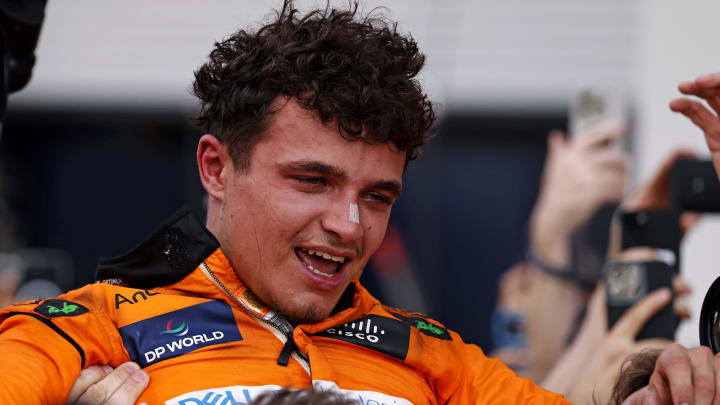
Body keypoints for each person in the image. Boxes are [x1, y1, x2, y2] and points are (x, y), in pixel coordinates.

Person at [1, 3, 718, 405]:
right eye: (312, 180)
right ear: (216, 167)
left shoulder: (434, 355)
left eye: (377, 195)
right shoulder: (90, 327)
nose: (349, 226)